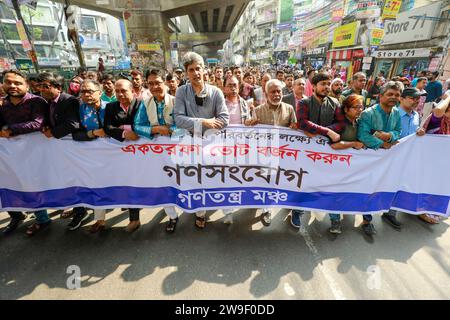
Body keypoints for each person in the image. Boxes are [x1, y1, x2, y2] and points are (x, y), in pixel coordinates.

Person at [174, 52, 229, 229]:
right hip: (191, 144)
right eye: (191, 70)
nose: (196, 73)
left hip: (213, 144)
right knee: (196, 179)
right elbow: (178, 119)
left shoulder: (216, 92)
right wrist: (202, 122)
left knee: (215, 178)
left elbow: (224, 119)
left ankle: (221, 207)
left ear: (204, 70)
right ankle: (200, 213)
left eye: (198, 68)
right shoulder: (182, 91)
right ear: (186, 73)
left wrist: (208, 130)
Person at [0, 70, 51, 236]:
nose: (13, 86)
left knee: (35, 183)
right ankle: (20, 214)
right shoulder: (3, 104)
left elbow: (37, 123)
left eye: (17, 83)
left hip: (37, 152)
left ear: (26, 85)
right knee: (16, 182)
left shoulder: (37, 101)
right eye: (9, 82)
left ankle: (44, 217)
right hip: (12, 155)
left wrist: (11, 130)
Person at [295, 72, 345, 229]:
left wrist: (323, 131)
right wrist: (328, 131)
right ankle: (297, 212)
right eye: (323, 84)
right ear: (314, 86)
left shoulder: (335, 103)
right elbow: (302, 123)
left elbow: (341, 124)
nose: (326, 87)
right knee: (302, 181)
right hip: (305, 152)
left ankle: (333, 217)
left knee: (328, 183)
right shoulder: (304, 102)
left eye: (328, 84)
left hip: (326, 153)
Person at [132, 69, 180, 233]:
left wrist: (171, 130)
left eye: (158, 83)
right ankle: (172, 216)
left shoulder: (177, 101)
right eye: (150, 83)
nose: (154, 87)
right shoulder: (145, 103)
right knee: (163, 183)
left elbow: (186, 127)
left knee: (183, 181)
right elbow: (137, 126)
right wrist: (156, 130)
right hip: (156, 153)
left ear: (165, 83)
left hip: (179, 151)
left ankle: (194, 211)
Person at [248, 79, 297, 227]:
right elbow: (250, 134)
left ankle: (272, 206)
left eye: (279, 91)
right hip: (264, 154)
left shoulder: (289, 109)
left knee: (277, 181)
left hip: (283, 154)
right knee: (264, 180)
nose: (276, 95)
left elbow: (294, 129)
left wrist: (294, 127)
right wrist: (250, 125)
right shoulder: (257, 111)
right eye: (273, 92)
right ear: (266, 94)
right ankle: (263, 206)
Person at [103, 79, 143, 232]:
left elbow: (144, 125)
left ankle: (170, 214)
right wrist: (125, 132)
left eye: (123, 91)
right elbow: (108, 127)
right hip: (122, 154)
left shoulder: (142, 104)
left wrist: (125, 127)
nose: (120, 94)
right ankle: (134, 219)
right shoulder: (111, 107)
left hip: (144, 152)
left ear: (132, 91)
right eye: (117, 91)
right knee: (129, 182)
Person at [328, 94, 366, 234]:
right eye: (356, 107)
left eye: (361, 107)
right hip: (337, 166)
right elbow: (334, 145)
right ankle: (335, 220)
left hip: (352, 166)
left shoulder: (359, 122)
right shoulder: (340, 124)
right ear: (346, 109)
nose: (360, 110)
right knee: (335, 193)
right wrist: (353, 144)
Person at [220, 75, 252, 224]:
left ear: (239, 87)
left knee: (240, 178)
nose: (233, 88)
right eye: (230, 85)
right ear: (224, 87)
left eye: (235, 85)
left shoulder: (245, 104)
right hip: (223, 149)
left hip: (241, 149)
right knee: (225, 179)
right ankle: (227, 212)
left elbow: (249, 124)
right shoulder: (219, 104)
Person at [416, 94, 450, 224]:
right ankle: (422, 210)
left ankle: (431, 209)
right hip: (430, 162)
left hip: (444, 163)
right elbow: (438, 110)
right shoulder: (438, 120)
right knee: (426, 185)